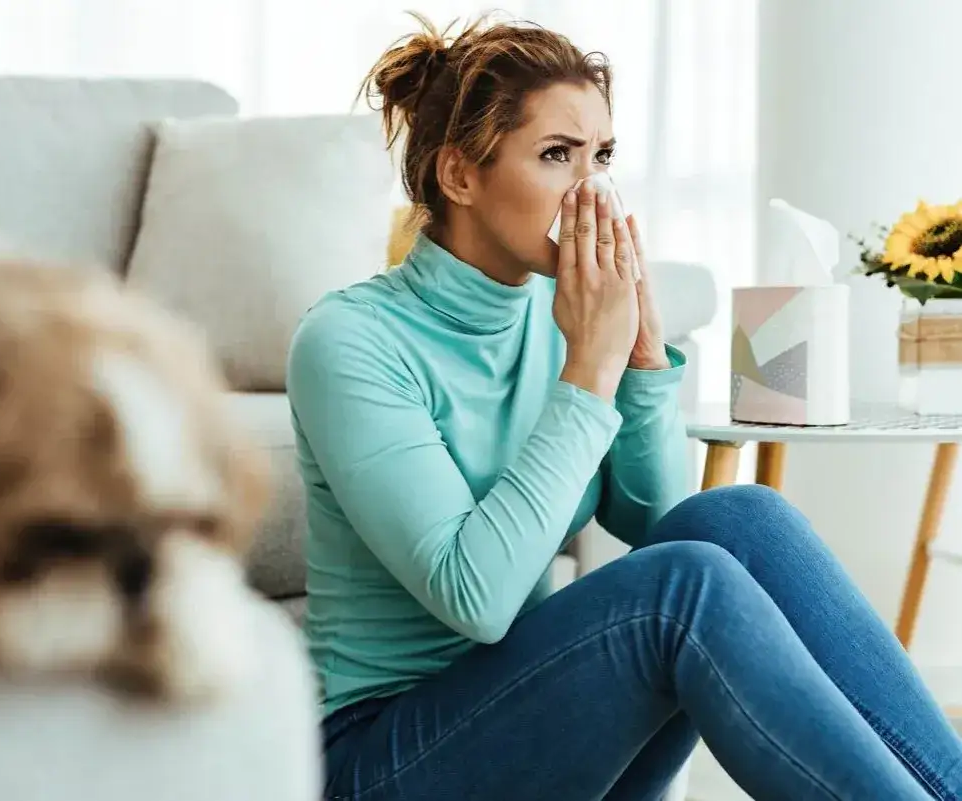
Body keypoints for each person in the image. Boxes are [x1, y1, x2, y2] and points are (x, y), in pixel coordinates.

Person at [286, 14, 962, 801]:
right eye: (555, 156)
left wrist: (639, 357)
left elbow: (658, 520)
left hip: (549, 730)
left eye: (601, 156)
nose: (593, 190)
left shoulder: (561, 312)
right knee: (684, 587)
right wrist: (589, 368)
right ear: (459, 176)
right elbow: (475, 597)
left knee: (738, 519)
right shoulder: (350, 340)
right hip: (383, 759)